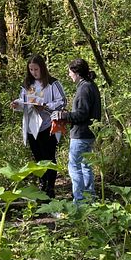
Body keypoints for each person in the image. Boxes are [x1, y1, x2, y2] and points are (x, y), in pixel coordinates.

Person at [11, 54, 66, 198]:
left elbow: (62, 101)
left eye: (36, 69)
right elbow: (24, 101)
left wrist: (46, 106)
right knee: (38, 158)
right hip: (32, 126)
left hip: (48, 125)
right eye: (31, 69)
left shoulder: (53, 83)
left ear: (42, 68)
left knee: (49, 158)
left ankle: (50, 188)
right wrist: (17, 104)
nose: (33, 72)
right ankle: (42, 185)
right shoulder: (27, 84)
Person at [52, 58, 101, 203]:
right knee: (86, 166)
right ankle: (89, 198)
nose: (69, 75)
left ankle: (79, 201)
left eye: (69, 72)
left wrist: (63, 115)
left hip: (81, 134)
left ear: (76, 72)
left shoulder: (84, 88)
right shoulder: (91, 85)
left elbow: (82, 114)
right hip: (90, 133)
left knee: (75, 167)